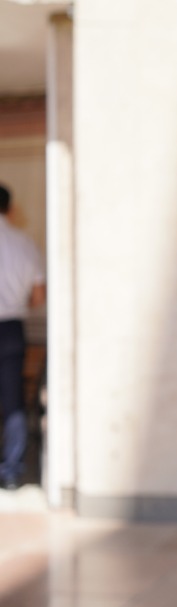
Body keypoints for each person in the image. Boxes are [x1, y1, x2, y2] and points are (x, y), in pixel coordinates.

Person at [0, 183, 46, 489]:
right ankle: (12, 470)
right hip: (12, 329)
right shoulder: (25, 244)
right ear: (11, 209)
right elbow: (38, 296)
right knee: (13, 399)